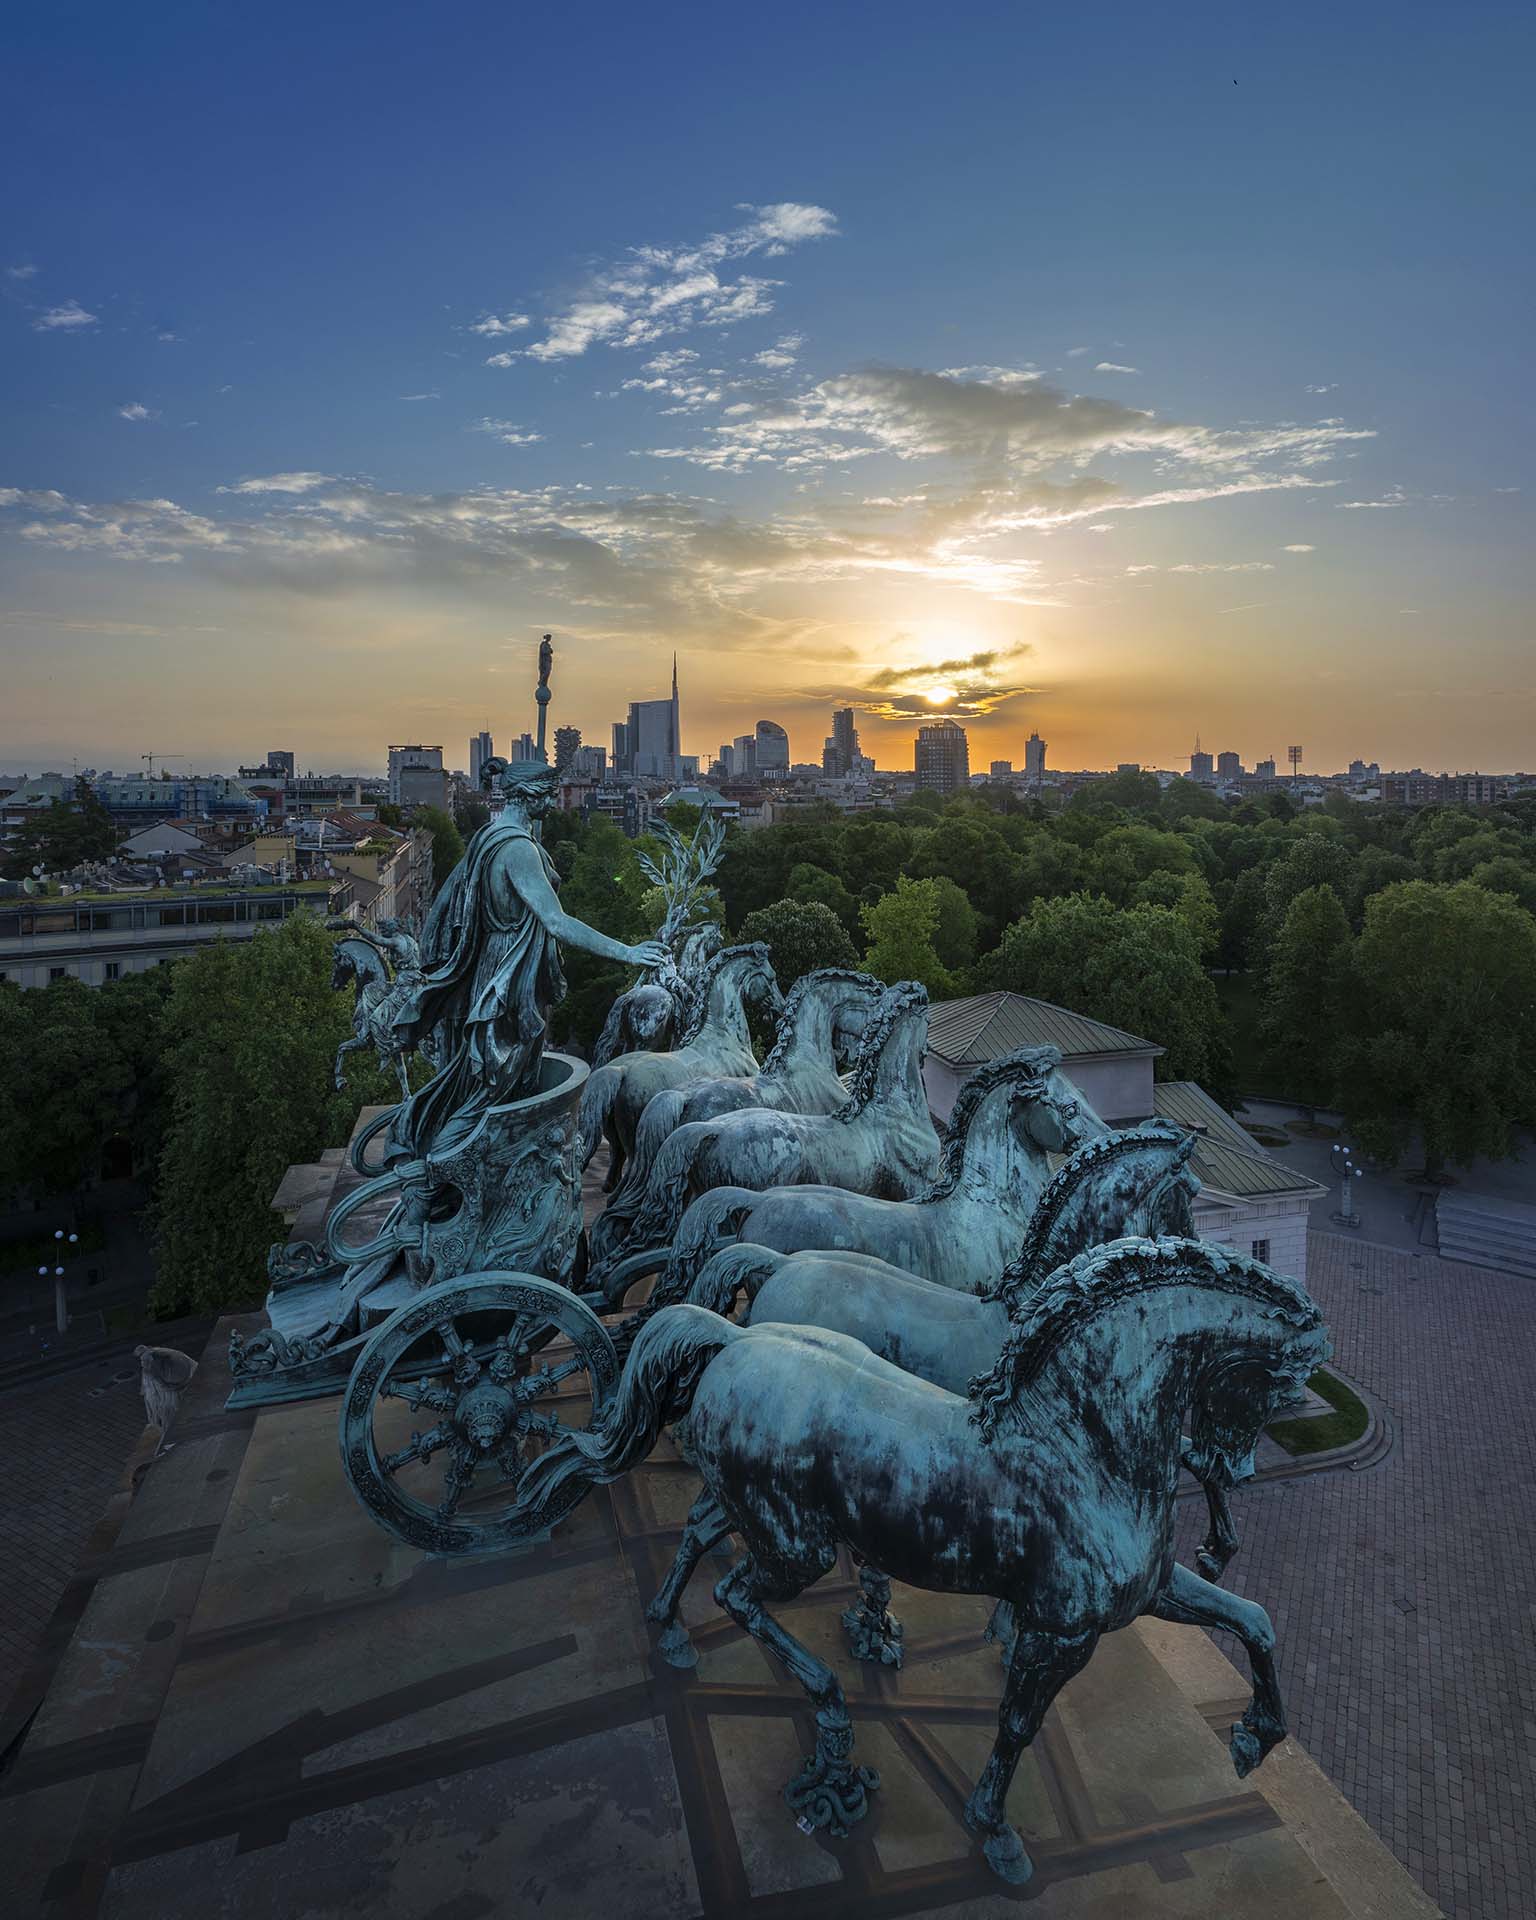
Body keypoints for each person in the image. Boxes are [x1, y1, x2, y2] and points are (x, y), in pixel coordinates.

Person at [386, 758, 667, 1162]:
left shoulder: (490, 835)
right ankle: (435, 1176)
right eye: (549, 793)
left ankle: (483, 1168)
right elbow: (556, 922)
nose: (554, 802)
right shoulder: (517, 849)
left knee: (502, 1083)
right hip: (509, 980)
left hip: (500, 968)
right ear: (530, 794)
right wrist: (627, 951)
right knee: (493, 1091)